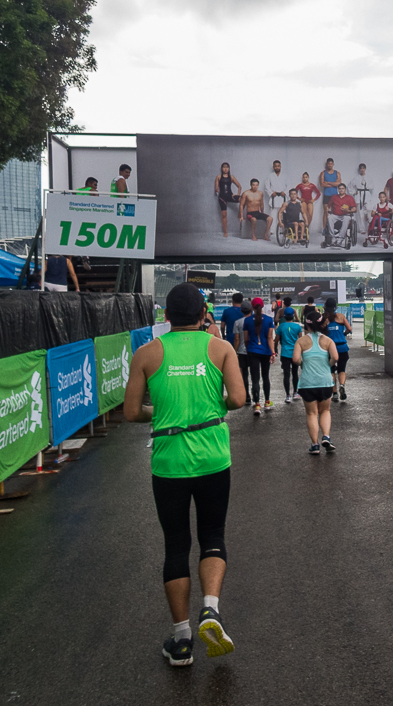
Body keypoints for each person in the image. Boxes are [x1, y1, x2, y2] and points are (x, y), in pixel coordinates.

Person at [122, 282, 246, 668]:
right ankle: (210, 610)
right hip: (212, 456)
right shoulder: (220, 348)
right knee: (213, 536)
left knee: (176, 544)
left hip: (169, 461)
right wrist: (212, 406)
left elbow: (131, 412)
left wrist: (157, 414)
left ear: (166, 317)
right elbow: (239, 400)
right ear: (203, 315)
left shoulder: (147, 353)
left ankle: (180, 640)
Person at [293, 311, 339, 453]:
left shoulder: (301, 341)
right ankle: (326, 436)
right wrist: (328, 364)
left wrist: (303, 363)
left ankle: (314, 445)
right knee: (325, 410)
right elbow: (335, 358)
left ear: (306, 324)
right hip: (325, 382)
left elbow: (295, 360)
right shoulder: (328, 340)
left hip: (307, 383)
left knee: (311, 414)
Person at [243, 297, 276, 414]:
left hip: (252, 351)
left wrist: (249, 349)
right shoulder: (268, 320)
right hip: (265, 351)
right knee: (265, 376)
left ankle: (257, 404)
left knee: (255, 378)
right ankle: (267, 402)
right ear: (262, 307)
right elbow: (269, 338)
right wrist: (273, 352)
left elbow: (246, 339)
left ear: (252, 307)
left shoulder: (247, 321)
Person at [319, 298, 352, 401]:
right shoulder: (341, 317)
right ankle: (342, 385)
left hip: (330, 349)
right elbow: (349, 329)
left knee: (331, 370)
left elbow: (321, 332)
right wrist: (343, 334)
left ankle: (335, 393)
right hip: (342, 347)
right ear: (335, 307)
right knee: (342, 369)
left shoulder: (323, 319)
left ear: (325, 306)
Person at [275, 307, 304, 403]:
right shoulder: (297, 327)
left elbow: (277, 340)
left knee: (286, 374)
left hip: (285, 352)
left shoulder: (281, 327)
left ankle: (287, 395)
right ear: (293, 316)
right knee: (295, 373)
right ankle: (295, 392)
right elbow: (300, 340)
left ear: (284, 316)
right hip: (295, 352)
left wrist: (275, 348)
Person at [231, 303, 252, 404]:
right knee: (254, 374)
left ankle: (247, 396)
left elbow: (237, 338)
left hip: (242, 351)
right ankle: (256, 394)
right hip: (253, 350)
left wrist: (235, 351)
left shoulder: (238, 322)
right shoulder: (254, 321)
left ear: (241, 311)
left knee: (244, 375)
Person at [325, 183, 357, 247]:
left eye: (342, 189)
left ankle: (340, 238)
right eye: (340, 189)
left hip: (345, 215)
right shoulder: (334, 197)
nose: (341, 190)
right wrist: (327, 211)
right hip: (335, 215)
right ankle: (332, 237)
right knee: (329, 217)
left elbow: (355, 209)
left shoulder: (350, 198)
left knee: (346, 218)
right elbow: (328, 206)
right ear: (338, 190)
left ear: (345, 190)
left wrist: (348, 211)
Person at [214, 163, 242, 237]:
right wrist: (216, 189)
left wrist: (237, 194)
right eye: (224, 167)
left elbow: (239, 186)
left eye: (227, 167)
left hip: (230, 196)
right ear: (222, 168)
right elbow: (216, 187)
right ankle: (225, 232)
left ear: (229, 168)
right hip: (222, 197)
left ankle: (240, 213)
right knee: (224, 214)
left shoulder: (231, 177)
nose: (225, 169)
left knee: (242, 198)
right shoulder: (218, 177)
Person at [320, 158, 342, 224]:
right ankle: (324, 229)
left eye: (331, 164)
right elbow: (322, 184)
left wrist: (328, 182)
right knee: (326, 212)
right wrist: (333, 183)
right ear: (327, 164)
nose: (330, 165)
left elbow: (339, 184)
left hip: (335, 195)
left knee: (335, 212)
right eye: (328, 164)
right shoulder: (323, 173)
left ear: (333, 164)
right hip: (326, 195)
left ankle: (333, 228)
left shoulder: (337, 173)